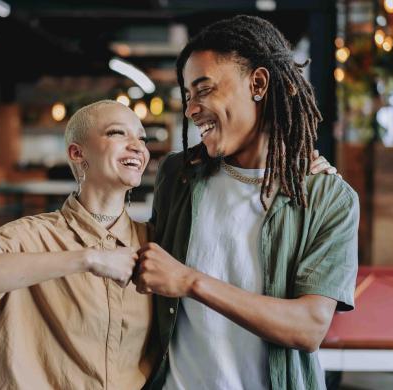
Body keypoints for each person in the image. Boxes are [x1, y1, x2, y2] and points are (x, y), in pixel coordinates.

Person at [133, 15, 359, 390]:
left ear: (257, 83)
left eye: (203, 90)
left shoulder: (328, 198)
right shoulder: (179, 175)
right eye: (187, 95)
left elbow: (308, 327)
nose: (191, 109)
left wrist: (190, 281)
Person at [0, 100, 157, 389]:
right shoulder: (29, 237)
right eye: (118, 133)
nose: (137, 146)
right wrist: (88, 259)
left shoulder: (154, 243)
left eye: (142, 138)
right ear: (77, 152)